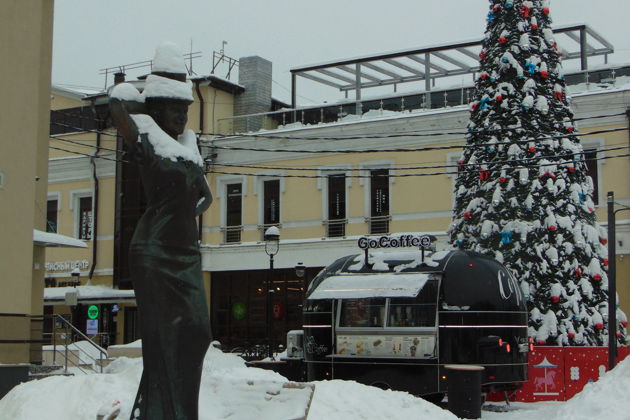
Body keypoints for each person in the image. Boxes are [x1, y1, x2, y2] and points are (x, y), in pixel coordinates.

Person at [109, 43, 212, 420]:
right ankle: (161, 413)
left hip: (186, 253)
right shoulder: (145, 136)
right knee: (164, 339)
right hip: (153, 251)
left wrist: (182, 214)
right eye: (173, 108)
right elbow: (118, 99)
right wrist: (152, 94)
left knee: (197, 333)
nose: (181, 116)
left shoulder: (190, 145)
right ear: (155, 108)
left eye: (185, 109)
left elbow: (205, 199)